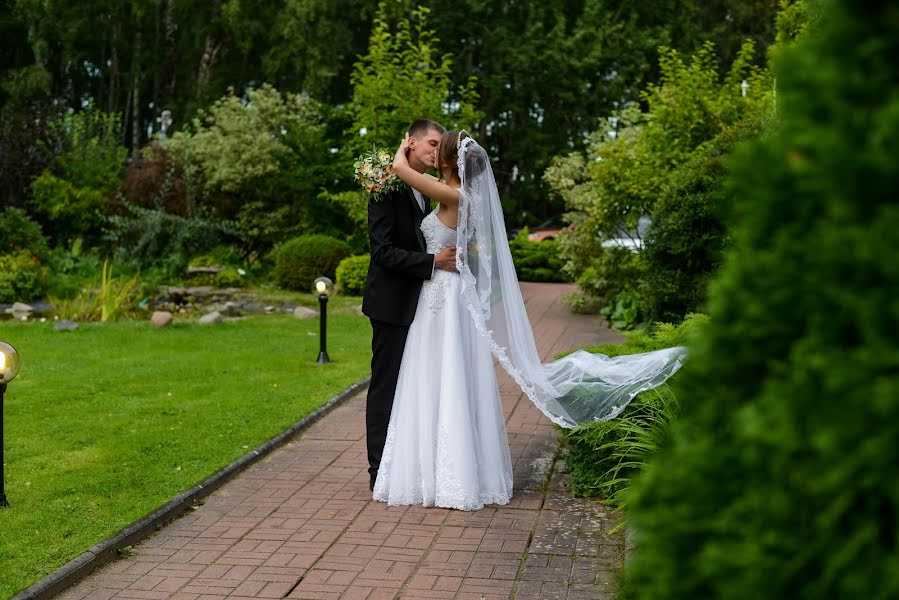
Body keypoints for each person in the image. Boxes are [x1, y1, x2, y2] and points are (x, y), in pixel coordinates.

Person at [373, 130, 688, 510]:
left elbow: (399, 170)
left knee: (446, 376)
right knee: (434, 377)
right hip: (437, 294)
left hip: (445, 297)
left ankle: (447, 476)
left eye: (440, 147)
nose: (434, 150)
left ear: (449, 160)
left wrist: (403, 147)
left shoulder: (456, 196)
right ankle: (435, 470)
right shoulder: (453, 192)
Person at [361, 119, 457, 492]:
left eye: (440, 145)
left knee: (416, 387)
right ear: (411, 144)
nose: (436, 151)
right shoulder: (384, 186)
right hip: (391, 303)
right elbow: (382, 252)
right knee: (387, 387)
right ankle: (378, 472)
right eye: (431, 143)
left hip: (425, 305)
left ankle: (410, 466)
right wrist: (433, 263)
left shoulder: (432, 190)